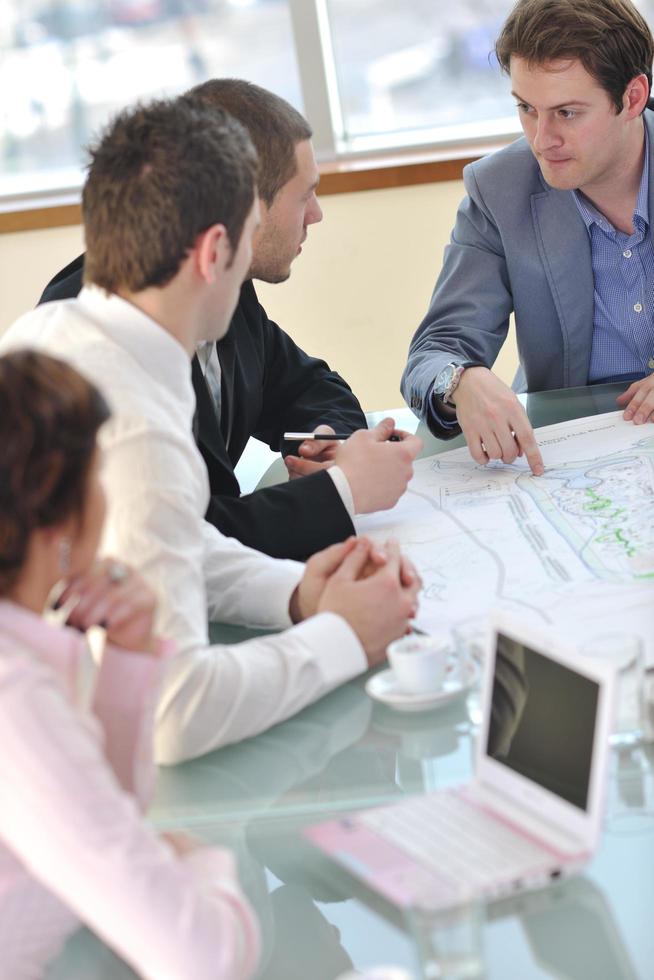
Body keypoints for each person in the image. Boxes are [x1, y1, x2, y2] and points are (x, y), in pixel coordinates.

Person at [1, 97, 421, 765]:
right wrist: (345, 635)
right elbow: (175, 715)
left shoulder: (62, 333)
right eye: (254, 231)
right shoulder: (134, 426)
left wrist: (297, 592)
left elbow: (173, 535)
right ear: (216, 251)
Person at [39, 79, 412, 561]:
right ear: (243, 210)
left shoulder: (224, 287)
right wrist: (344, 491)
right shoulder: (92, 346)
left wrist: (324, 443)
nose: (316, 215)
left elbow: (306, 385)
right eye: (306, 195)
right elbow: (187, 538)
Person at [0, 349, 259, 980]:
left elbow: (100, 813)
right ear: (62, 515)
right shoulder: (16, 697)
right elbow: (206, 959)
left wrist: (130, 658)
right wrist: (201, 861)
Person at [402, 0, 654, 476]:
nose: (542, 140)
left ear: (633, 97)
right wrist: (462, 381)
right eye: (526, 109)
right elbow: (433, 353)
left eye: (567, 113)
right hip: (575, 463)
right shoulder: (499, 190)